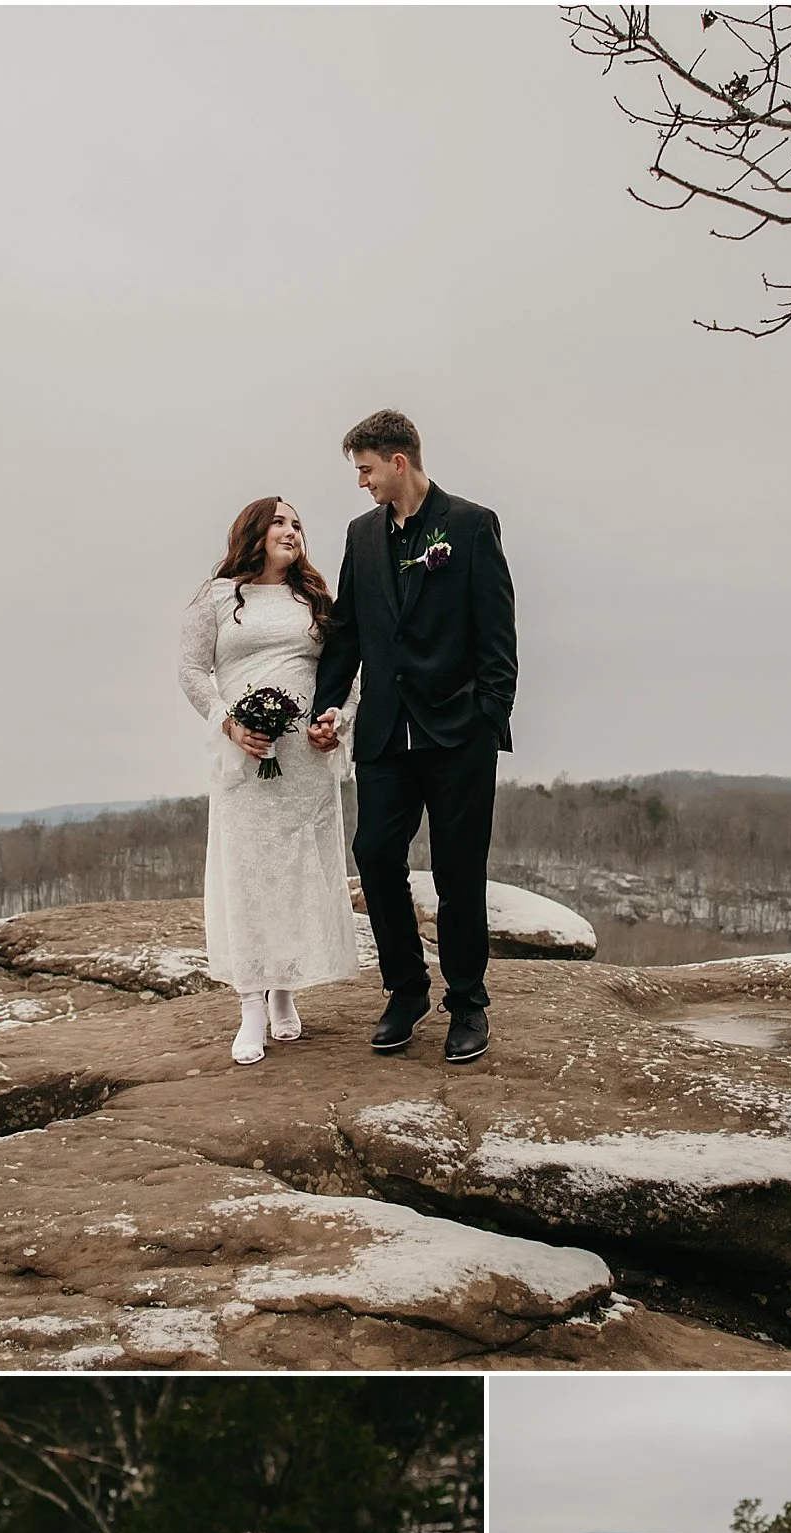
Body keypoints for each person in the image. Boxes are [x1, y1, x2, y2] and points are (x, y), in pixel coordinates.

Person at [307, 408, 518, 1065]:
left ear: (399, 462)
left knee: (458, 874)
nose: (361, 483)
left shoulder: (470, 525)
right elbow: (347, 629)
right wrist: (326, 706)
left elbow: (496, 631)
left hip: (458, 734)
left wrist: (488, 712)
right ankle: (404, 992)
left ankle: (467, 1005)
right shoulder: (359, 535)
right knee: (373, 855)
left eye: (366, 469)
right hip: (382, 733)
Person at [177, 496, 360, 1065]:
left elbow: (349, 670)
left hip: (305, 759)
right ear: (253, 532)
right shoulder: (216, 598)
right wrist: (230, 724)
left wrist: (339, 720)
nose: (292, 530)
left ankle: (286, 991)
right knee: (250, 873)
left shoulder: (316, 601)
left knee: (298, 872)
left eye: (299, 523)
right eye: (280, 521)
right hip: (246, 759)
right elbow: (190, 669)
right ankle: (251, 1001)